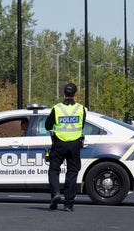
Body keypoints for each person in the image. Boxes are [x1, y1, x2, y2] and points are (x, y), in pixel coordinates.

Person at [45, 82, 86, 212]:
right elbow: (82, 125)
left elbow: (47, 126)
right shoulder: (81, 108)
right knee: (72, 172)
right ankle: (68, 204)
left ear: (64, 93)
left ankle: (55, 194)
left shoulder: (57, 108)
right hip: (74, 144)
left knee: (54, 169)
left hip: (59, 144)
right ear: (75, 94)